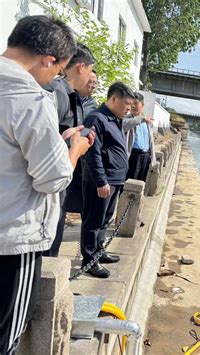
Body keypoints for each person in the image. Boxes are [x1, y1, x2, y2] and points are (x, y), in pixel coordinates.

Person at [0, 15, 92, 354]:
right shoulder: (30, 98)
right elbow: (52, 177)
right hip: (11, 242)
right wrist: (74, 150)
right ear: (48, 59)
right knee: (5, 337)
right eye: (57, 72)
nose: (55, 80)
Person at [43, 43, 96, 257]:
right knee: (48, 244)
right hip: (50, 180)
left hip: (61, 176)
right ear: (81, 67)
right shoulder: (57, 93)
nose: (92, 78)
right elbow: (46, 141)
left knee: (55, 233)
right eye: (91, 70)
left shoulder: (69, 95)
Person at [81, 82, 136, 278]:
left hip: (116, 179)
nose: (129, 109)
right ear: (114, 99)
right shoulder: (97, 118)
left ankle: (98, 251)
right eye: (127, 104)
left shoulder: (114, 119)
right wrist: (101, 181)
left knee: (104, 219)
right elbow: (92, 153)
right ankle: (89, 260)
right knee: (93, 220)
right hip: (103, 181)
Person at [124, 92, 156, 181]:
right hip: (133, 156)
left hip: (145, 156)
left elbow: (151, 141)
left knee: (141, 182)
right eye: (131, 103)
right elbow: (124, 125)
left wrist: (152, 158)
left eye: (136, 103)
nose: (133, 106)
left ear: (142, 105)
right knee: (130, 183)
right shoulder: (127, 119)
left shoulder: (147, 121)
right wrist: (141, 119)